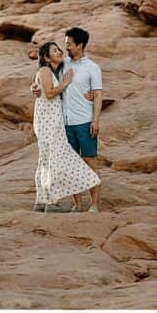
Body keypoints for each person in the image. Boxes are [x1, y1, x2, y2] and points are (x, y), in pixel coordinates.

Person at [31, 26, 104, 212]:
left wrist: (95, 120)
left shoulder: (92, 68)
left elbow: (97, 95)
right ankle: (77, 204)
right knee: (70, 164)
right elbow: (43, 78)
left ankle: (94, 204)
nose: (66, 49)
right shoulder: (63, 64)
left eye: (69, 45)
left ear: (80, 45)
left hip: (85, 122)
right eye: (64, 45)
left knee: (89, 161)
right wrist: (35, 88)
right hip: (64, 124)